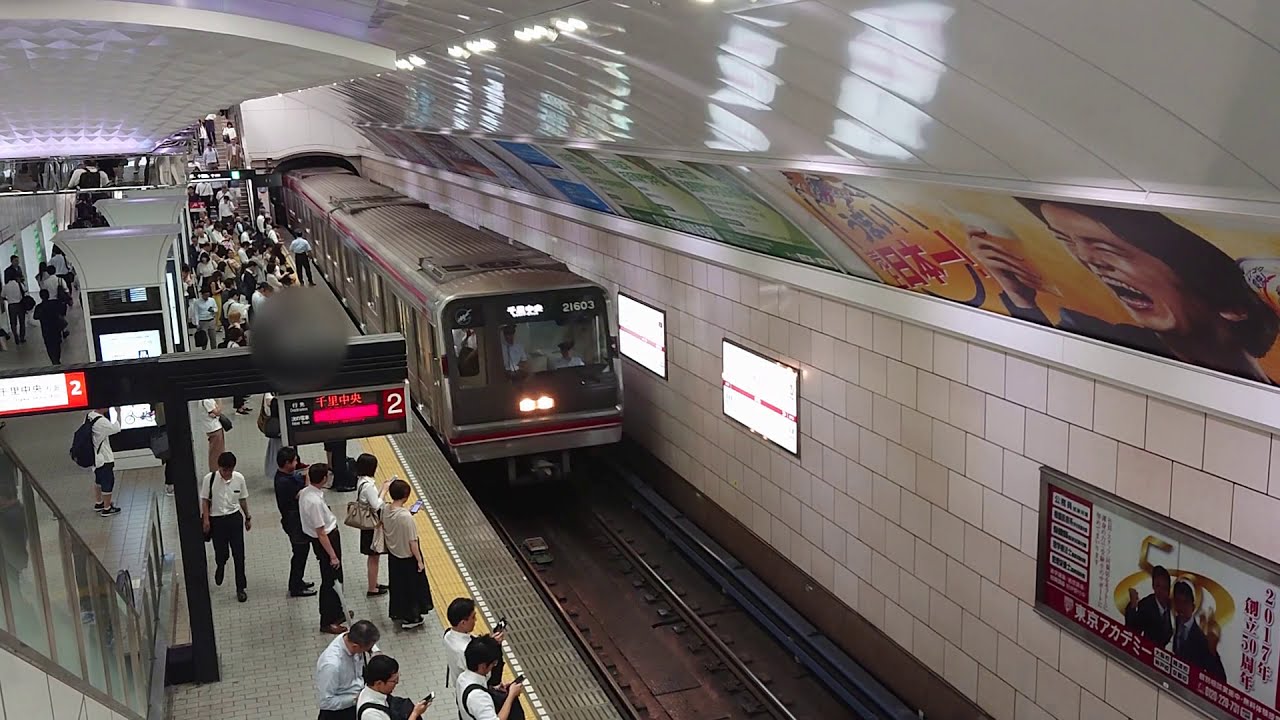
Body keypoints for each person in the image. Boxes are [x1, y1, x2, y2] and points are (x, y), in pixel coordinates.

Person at [970, 200, 1280, 384]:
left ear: (1232, 307)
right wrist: (1020, 297)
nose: (1088, 260)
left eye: (1108, 247)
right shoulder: (1096, 336)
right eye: (1067, 242)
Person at [300, 463, 348, 634]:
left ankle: (338, 612)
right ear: (323, 478)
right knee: (330, 581)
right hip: (327, 542)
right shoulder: (314, 502)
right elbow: (321, 533)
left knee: (337, 578)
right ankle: (327, 621)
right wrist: (333, 556)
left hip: (325, 539)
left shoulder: (306, 492)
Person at [200, 451, 251, 603]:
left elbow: (242, 499)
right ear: (219, 467)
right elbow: (205, 500)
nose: (226, 474)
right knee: (221, 551)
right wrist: (206, 520)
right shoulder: (209, 479)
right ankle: (220, 564)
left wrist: (247, 517)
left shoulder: (239, 478)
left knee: (239, 554)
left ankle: (240, 588)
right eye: (224, 470)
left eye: (229, 470)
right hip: (217, 521)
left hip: (234, 518)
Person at [382, 479, 432, 630]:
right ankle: (412, 617)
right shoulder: (406, 518)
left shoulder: (386, 509)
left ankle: (398, 612)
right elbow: (413, 542)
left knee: (397, 586)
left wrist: (410, 512)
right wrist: (419, 561)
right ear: (406, 495)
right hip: (407, 558)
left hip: (394, 556)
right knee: (412, 588)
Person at [273, 446, 317, 598]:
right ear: (286, 463)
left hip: (294, 521)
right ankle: (295, 587)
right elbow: (302, 494)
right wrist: (308, 479)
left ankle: (298, 581)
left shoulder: (285, 476)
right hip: (294, 523)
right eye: (294, 461)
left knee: (301, 552)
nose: (296, 463)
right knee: (300, 553)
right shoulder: (284, 482)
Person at [315, 619, 381, 719]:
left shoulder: (350, 637)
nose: (368, 650)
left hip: (358, 695)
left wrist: (375, 651)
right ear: (356, 647)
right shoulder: (332, 665)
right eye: (367, 649)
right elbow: (326, 702)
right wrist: (356, 698)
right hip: (340, 712)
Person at [443, 598, 508, 691]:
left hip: (459, 685)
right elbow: (482, 673)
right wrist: (494, 646)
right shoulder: (465, 650)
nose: (476, 620)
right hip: (474, 690)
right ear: (463, 623)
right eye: (473, 617)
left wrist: (488, 641)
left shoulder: (448, 635)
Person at [1171, 580, 1227, 681]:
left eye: (1185, 602)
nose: (1181, 607)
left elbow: (1220, 679)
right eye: (1178, 601)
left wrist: (1213, 651)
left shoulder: (1201, 638)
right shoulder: (1176, 621)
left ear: (1193, 607)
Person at [457, 636, 524, 720]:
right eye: (493, 664)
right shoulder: (478, 697)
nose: (493, 667)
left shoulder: (462, 678)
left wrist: (494, 690)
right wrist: (511, 695)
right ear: (482, 666)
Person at [352, 454, 388, 598]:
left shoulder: (361, 481)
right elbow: (376, 505)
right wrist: (384, 490)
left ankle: (374, 583)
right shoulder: (368, 486)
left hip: (367, 524)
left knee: (373, 556)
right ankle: (372, 588)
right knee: (374, 557)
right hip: (371, 525)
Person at [357, 655, 430, 720]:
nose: (397, 683)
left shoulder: (373, 692)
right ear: (379, 683)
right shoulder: (371, 715)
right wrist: (415, 713)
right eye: (393, 681)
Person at [1123, 565, 1173, 648]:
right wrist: (1133, 605)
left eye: (1164, 587)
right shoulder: (1146, 605)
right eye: (1158, 586)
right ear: (1153, 586)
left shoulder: (1171, 605)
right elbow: (1132, 630)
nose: (1161, 591)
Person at [86, 408, 122, 516]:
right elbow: (116, 428)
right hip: (104, 457)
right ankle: (107, 508)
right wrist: (118, 413)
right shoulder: (101, 421)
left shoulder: (90, 416)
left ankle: (99, 503)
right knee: (108, 481)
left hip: (95, 456)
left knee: (98, 480)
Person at [32, 289, 66, 364]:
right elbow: (62, 311)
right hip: (56, 327)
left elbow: (35, 317)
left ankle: (54, 360)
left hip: (46, 329)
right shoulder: (54, 304)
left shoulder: (39, 307)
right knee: (57, 344)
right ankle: (57, 359)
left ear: (40, 296)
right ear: (48, 295)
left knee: (49, 345)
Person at [199, 398, 226, 473]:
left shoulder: (206, 400)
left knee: (216, 451)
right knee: (216, 453)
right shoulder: (207, 401)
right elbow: (218, 412)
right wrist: (220, 401)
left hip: (213, 427)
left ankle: (216, 469)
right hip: (214, 428)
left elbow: (214, 412)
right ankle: (215, 470)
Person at [2, 274, 25, 345]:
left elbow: (2, 296)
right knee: (22, 322)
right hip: (20, 305)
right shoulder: (19, 284)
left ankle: (16, 336)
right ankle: (22, 337)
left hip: (11, 305)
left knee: (13, 323)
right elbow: (24, 290)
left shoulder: (5, 286)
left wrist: (8, 299)